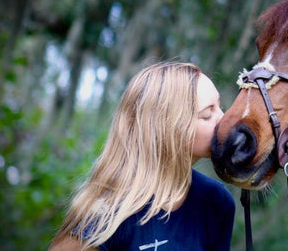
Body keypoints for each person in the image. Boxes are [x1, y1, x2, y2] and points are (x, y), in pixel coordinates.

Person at [49, 61, 235, 250]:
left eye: (219, 107)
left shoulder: (216, 202)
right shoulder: (107, 212)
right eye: (207, 114)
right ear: (168, 126)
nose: (224, 120)